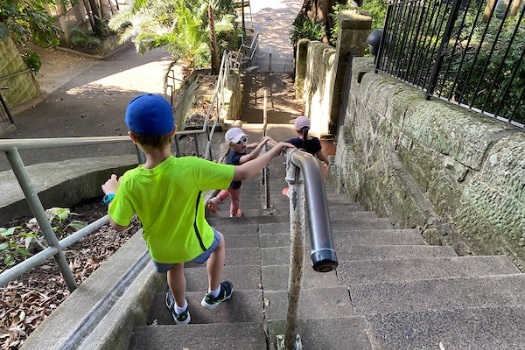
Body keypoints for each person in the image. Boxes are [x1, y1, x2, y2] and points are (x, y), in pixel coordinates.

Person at [101, 93, 294, 325]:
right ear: (173, 130)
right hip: (194, 241)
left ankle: (181, 310)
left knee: (174, 268)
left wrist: (112, 194)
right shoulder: (191, 167)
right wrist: (275, 149)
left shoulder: (130, 181)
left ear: (132, 137)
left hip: (162, 250)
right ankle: (214, 293)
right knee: (219, 241)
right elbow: (242, 172)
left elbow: (119, 225)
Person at [206, 128, 273, 217]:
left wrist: (256, 145)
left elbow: (250, 146)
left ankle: (216, 199)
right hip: (235, 182)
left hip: (228, 178)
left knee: (228, 189)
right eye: (238, 142)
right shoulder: (235, 158)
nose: (243, 143)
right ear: (231, 145)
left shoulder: (235, 149)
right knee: (235, 200)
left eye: (244, 139)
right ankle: (233, 214)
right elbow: (251, 156)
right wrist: (263, 143)